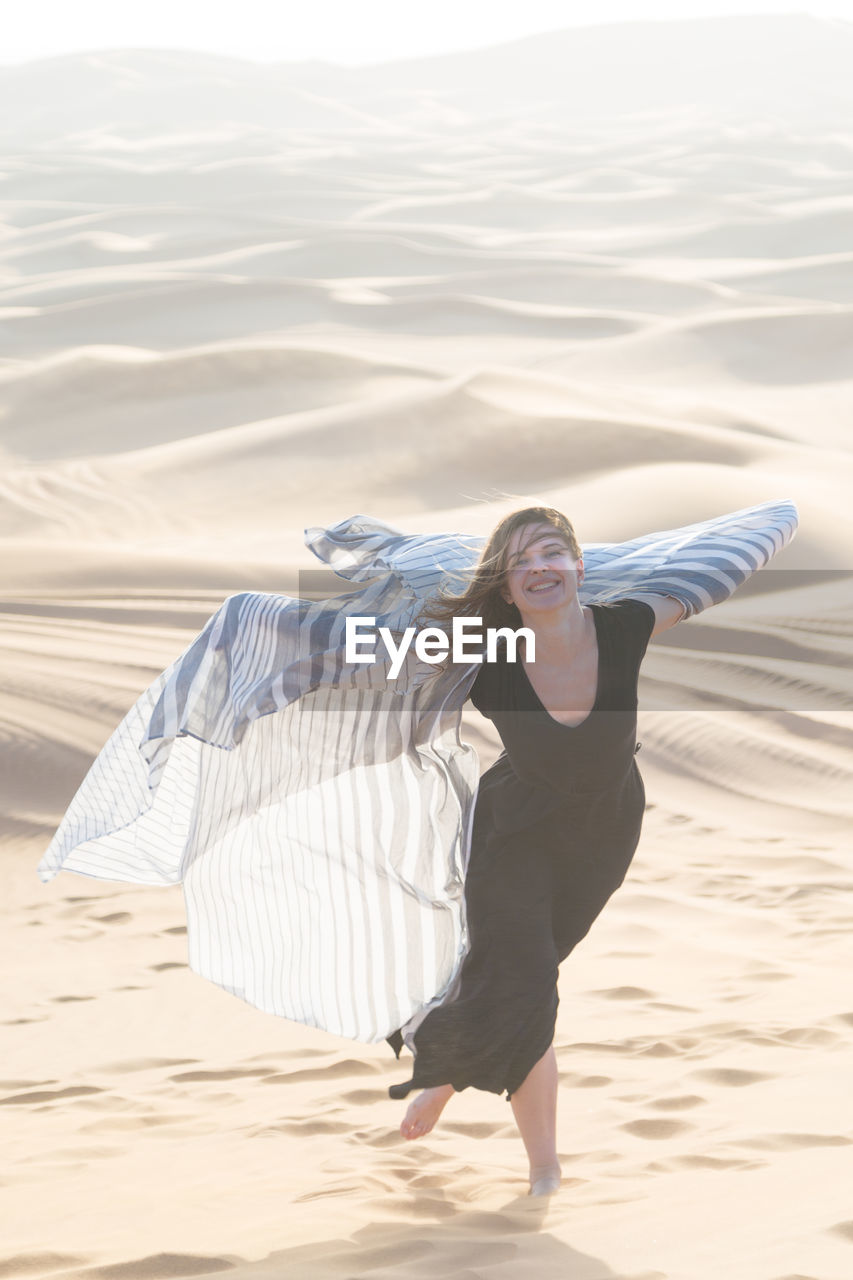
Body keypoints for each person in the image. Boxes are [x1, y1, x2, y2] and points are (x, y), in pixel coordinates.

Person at [385, 506, 687, 1196]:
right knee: (527, 980)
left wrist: (775, 524)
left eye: (550, 552)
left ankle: (449, 1071)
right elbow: (377, 652)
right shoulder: (484, 651)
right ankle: (543, 1168)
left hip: (602, 835)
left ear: (579, 566)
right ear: (504, 586)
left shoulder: (621, 627)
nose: (537, 568)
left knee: (517, 977)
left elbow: (710, 575)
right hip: (512, 833)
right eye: (518, 562)